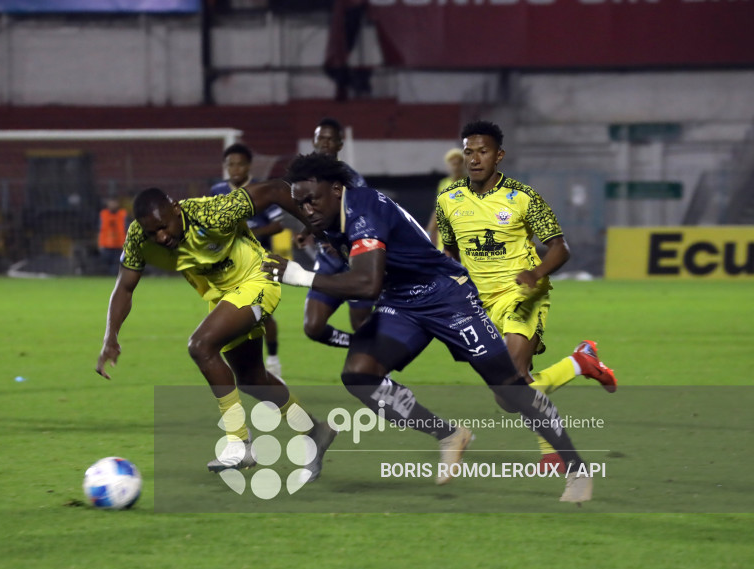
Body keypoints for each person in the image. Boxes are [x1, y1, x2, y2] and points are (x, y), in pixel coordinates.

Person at [262, 152, 593, 502]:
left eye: (312, 200)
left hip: (446, 296)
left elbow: (367, 285)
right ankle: (449, 435)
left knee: (510, 388)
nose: (307, 209)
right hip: (401, 302)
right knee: (360, 374)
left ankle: (576, 469)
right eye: (300, 203)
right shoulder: (325, 210)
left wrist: (298, 275)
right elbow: (275, 193)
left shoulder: (364, 211)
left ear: (337, 189)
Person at [95, 181, 335, 482]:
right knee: (252, 380)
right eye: (152, 232)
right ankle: (315, 430)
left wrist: (322, 229)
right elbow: (124, 287)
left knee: (200, 345)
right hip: (224, 297)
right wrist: (110, 336)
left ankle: (239, 443)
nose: (162, 236)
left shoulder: (212, 213)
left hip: (258, 280)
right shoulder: (138, 238)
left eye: (163, 227)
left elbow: (274, 190)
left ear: (175, 209)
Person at [436, 120, 617, 472]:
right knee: (508, 395)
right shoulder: (448, 199)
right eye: (469, 152)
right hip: (480, 302)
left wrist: (535, 274)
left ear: (499, 155)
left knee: (515, 375)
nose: (475, 159)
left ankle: (555, 456)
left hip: (523, 294)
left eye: (483, 152)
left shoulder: (523, 197)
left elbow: (560, 249)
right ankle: (581, 363)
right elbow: (449, 251)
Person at [211, 143, 283, 377]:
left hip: (260, 263)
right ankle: (246, 366)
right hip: (229, 267)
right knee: (233, 314)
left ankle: (272, 360)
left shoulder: (261, 189)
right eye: (230, 164)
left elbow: (277, 224)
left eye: (240, 163)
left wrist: (249, 233)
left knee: (264, 315)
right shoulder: (216, 191)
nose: (235, 168)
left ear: (249, 165)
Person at [301, 117, 373, 349]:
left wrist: (343, 241)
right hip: (328, 263)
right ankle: (359, 347)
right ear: (313, 140)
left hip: (354, 260)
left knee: (361, 321)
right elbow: (311, 210)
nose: (325, 143)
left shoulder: (351, 179)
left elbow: (365, 216)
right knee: (313, 326)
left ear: (340, 145)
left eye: (331, 140)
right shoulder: (305, 177)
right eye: (321, 138)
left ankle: (377, 368)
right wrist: (307, 231)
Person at [426, 148, 466, 250]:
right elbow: (438, 210)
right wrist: (428, 233)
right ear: (448, 166)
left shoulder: (470, 183)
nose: (456, 167)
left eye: (459, 163)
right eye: (453, 164)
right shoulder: (443, 184)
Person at [97, 196, 128, 276]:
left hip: (119, 246)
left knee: (116, 268)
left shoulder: (123, 214)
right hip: (106, 245)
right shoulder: (103, 215)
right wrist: (99, 244)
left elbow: (127, 229)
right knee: (104, 268)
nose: (113, 204)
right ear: (107, 203)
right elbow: (99, 230)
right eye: (111, 202)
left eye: (114, 202)